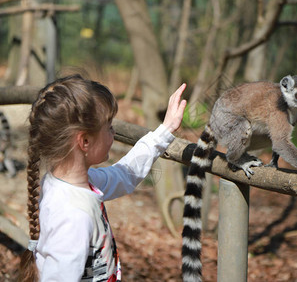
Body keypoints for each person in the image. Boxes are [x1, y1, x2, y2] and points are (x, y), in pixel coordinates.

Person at [19, 74, 187, 282]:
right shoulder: (73, 215)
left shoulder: (70, 184)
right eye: (108, 127)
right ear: (85, 141)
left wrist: (166, 130)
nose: (113, 132)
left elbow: (123, 174)